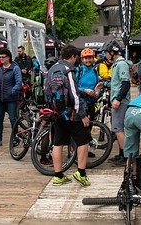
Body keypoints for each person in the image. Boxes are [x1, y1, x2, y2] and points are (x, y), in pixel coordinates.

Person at [47, 44, 93, 187]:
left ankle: (58, 175)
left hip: (56, 113)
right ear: (73, 56)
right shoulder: (68, 71)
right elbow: (75, 95)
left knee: (58, 143)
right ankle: (81, 173)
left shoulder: (52, 69)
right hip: (71, 114)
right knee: (84, 141)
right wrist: (83, 114)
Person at [106, 40, 131, 167]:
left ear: (112, 52)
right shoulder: (117, 64)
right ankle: (122, 154)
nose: (105, 56)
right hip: (119, 101)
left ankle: (126, 156)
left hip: (120, 102)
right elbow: (117, 82)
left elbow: (126, 83)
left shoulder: (121, 64)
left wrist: (118, 99)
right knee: (118, 129)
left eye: (106, 53)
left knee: (118, 129)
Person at [0, 48, 22, 148]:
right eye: (0, 57)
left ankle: (15, 138)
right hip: (0, 98)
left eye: (3, 57)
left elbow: (19, 82)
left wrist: (13, 91)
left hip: (11, 99)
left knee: (13, 119)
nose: (1, 59)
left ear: (8, 57)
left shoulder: (15, 68)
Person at [75, 48, 103, 118]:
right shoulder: (79, 71)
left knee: (91, 123)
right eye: (86, 58)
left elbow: (97, 85)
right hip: (81, 101)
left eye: (90, 58)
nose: (88, 60)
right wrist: (84, 90)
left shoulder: (95, 71)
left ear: (93, 58)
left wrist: (97, 92)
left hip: (92, 101)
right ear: (82, 59)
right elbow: (73, 86)